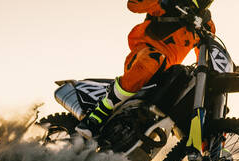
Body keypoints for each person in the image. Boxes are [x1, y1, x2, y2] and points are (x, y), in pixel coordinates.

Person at [75, 0, 216, 143]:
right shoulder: (174, 2)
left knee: (198, 83)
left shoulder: (206, 23)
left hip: (167, 71)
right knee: (153, 59)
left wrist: (223, 67)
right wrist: (164, 3)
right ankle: (100, 111)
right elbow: (133, 4)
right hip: (144, 54)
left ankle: (207, 144)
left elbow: (208, 53)